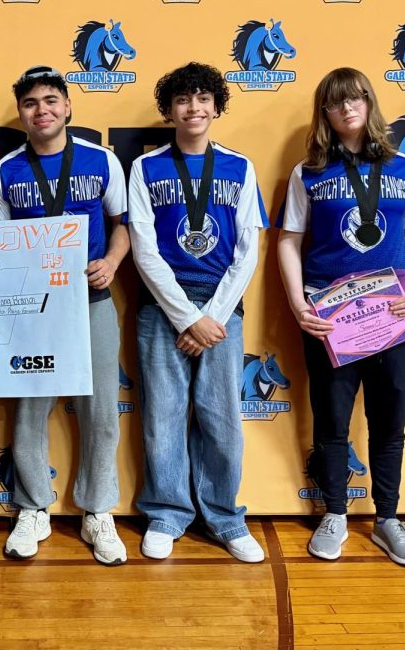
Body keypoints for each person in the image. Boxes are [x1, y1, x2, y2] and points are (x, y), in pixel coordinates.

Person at [276, 67, 405, 567]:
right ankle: (336, 514)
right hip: (331, 318)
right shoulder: (309, 172)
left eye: (358, 98)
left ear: (371, 103)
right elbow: (288, 240)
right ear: (324, 111)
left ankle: (388, 518)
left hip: (392, 313)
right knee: (332, 423)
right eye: (337, 101)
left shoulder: (404, 165)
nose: (349, 108)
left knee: (390, 424)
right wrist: (300, 303)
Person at [0, 65, 130, 565]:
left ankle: (97, 510)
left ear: (67, 106)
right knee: (30, 411)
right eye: (30, 104)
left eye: (50, 100)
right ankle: (33, 507)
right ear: (22, 114)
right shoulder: (4, 172)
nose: (41, 110)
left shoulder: (102, 161)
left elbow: (122, 226)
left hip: (91, 302)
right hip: (33, 311)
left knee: (102, 411)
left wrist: (111, 262)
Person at [126, 62, 266, 562]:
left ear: (217, 107)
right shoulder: (145, 168)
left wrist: (215, 317)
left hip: (223, 307)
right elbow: (144, 249)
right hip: (163, 308)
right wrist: (187, 317)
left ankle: (225, 518)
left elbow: (248, 248)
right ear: (169, 110)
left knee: (222, 416)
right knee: (162, 417)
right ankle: (166, 513)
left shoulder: (239, 167)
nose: (194, 108)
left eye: (204, 99)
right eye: (184, 100)